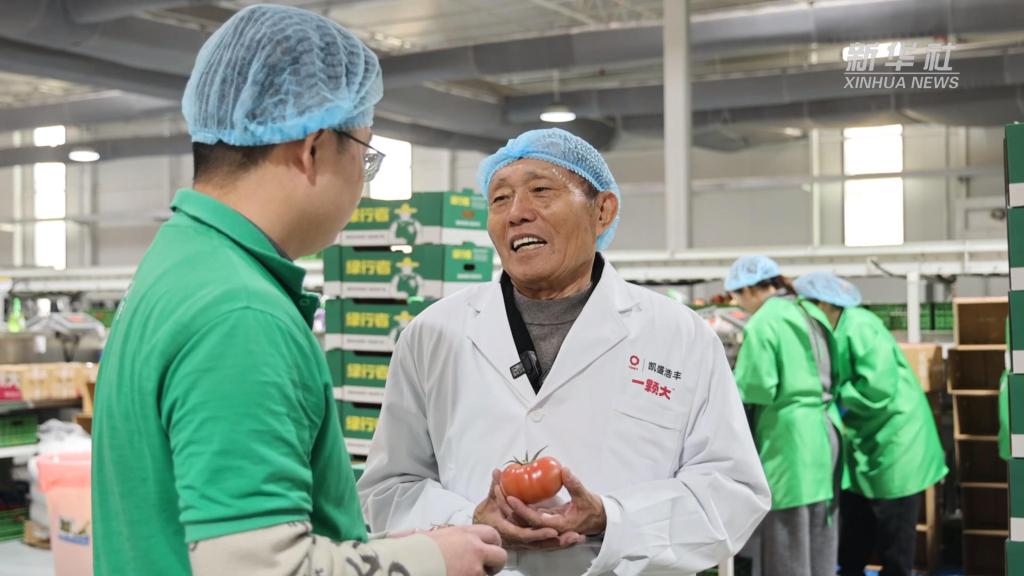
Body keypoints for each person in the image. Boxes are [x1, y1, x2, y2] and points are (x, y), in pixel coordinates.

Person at [91, 5, 506, 576]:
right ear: (313, 149)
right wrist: (430, 561)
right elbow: (257, 568)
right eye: (365, 155)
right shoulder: (241, 315)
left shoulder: (180, 261)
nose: (362, 182)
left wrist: (384, 550)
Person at [357, 128, 771, 575]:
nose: (517, 213)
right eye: (499, 199)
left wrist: (613, 519)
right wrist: (470, 521)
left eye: (541, 190)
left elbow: (731, 491)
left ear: (602, 211)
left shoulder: (681, 337)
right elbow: (389, 489)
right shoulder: (432, 334)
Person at [794, 271, 948, 576]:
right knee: (856, 532)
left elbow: (877, 388)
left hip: (896, 440)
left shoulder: (860, 326)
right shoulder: (833, 330)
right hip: (866, 440)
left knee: (894, 538)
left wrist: (836, 398)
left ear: (825, 304)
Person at [726, 256, 842, 576]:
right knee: (820, 531)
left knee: (787, 536)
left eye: (737, 296)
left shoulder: (765, 321)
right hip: (824, 430)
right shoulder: (807, 311)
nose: (738, 304)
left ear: (750, 290)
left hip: (789, 441)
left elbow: (757, 387)